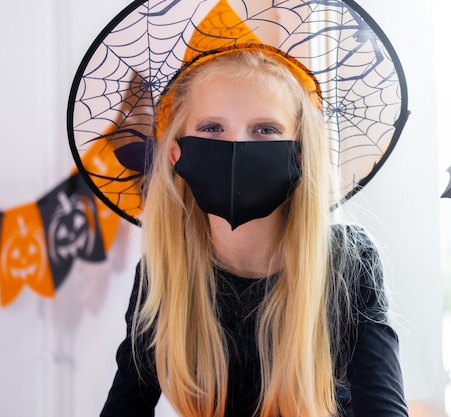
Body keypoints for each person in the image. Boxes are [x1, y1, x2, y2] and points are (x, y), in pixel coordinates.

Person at [99, 46, 409, 417]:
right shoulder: (164, 273)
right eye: (212, 128)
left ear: (299, 155)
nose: (236, 147)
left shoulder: (348, 261)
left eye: (265, 129)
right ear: (175, 154)